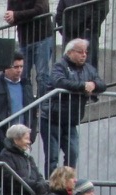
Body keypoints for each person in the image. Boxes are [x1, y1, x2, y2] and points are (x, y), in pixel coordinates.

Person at [44, 39, 99, 171]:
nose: (84, 55)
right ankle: (51, 182)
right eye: (80, 52)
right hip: (52, 117)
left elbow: (101, 84)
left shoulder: (88, 68)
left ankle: (68, 181)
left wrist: (93, 84)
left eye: (85, 52)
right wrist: (83, 86)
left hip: (71, 120)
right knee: (52, 157)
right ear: (69, 52)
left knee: (73, 153)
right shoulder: (59, 66)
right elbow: (60, 82)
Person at [7, 0, 57, 98]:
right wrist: (14, 16)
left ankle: (44, 105)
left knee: (42, 75)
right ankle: (28, 104)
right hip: (24, 40)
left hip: (42, 37)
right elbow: (10, 16)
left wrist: (16, 15)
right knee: (23, 76)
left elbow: (40, 10)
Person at [0, 52, 35, 140]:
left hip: (23, 136)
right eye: (16, 67)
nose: (19, 70)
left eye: (21, 66)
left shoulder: (26, 85)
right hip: (3, 136)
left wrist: (32, 135)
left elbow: (33, 111)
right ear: (6, 68)